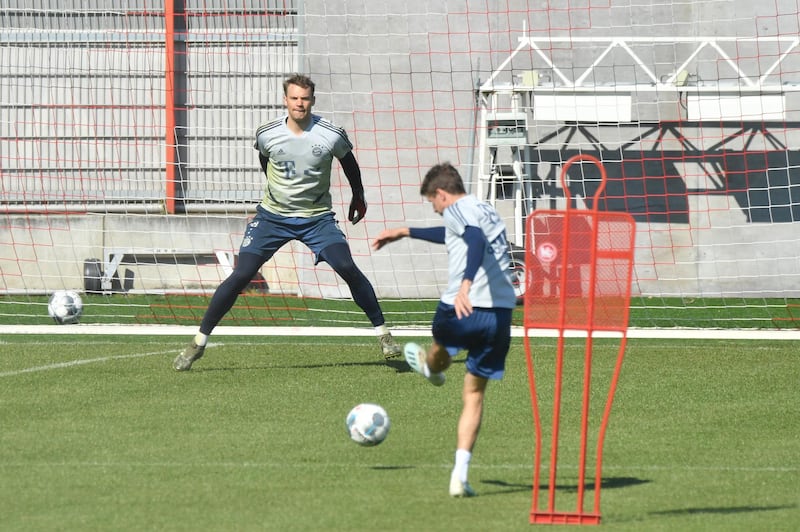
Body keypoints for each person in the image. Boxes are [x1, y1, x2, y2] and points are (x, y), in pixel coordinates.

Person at [174, 73, 402, 371]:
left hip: (317, 219)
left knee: (346, 267)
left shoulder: (331, 134)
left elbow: (350, 164)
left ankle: (384, 336)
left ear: (312, 100)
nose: (300, 103)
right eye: (294, 98)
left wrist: (358, 196)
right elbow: (266, 163)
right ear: (286, 100)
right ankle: (198, 343)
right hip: (272, 218)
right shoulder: (266, 134)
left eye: (305, 98)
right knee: (241, 274)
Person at [372, 163, 516, 497]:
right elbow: (457, 235)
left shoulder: (455, 207)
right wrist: (405, 231)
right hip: (500, 315)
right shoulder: (484, 209)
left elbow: (474, 239)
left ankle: (431, 366)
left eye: (433, 204)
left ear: (441, 194)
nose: (436, 210)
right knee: (475, 394)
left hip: (463, 307)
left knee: (440, 342)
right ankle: (460, 476)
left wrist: (466, 284)